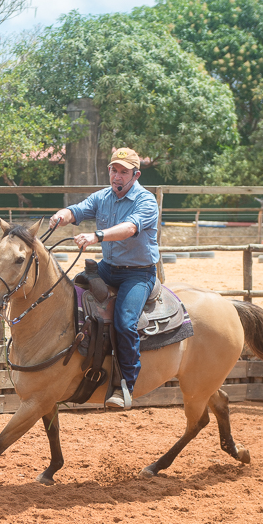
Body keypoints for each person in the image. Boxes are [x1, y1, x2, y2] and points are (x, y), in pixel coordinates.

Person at [49, 147, 160, 409]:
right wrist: (62, 216)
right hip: (108, 267)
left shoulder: (146, 201)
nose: (117, 176)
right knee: (71, 294)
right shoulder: (103, 197)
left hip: (138, 273)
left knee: (124, 321)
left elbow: (130, 228)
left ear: (135, 175)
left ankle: (125, 386)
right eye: (114, 170)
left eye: (124, 172)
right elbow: (78, 209)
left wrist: (96, 236)